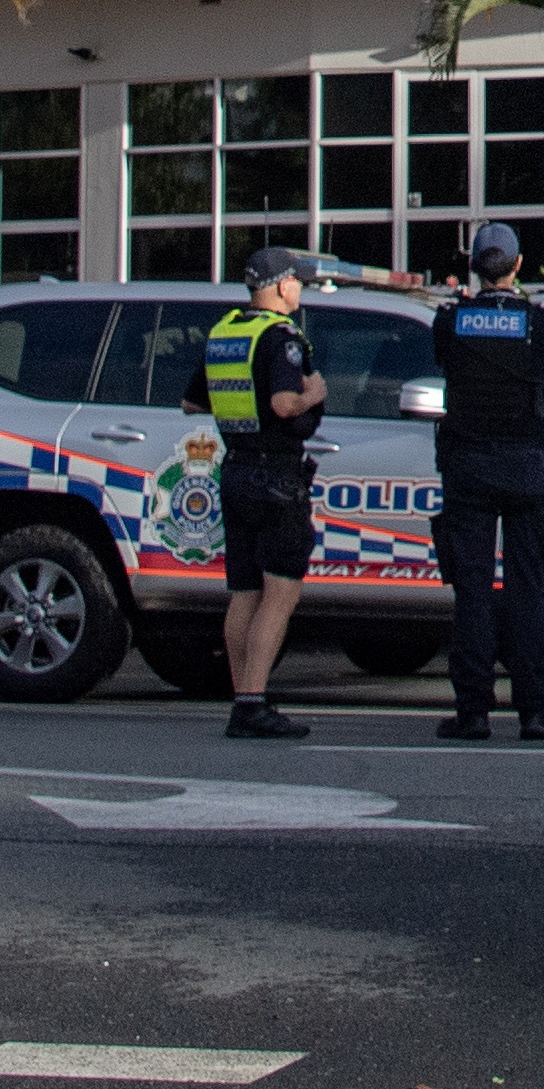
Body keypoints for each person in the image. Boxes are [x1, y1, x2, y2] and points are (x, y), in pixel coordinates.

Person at [425, 224, 544, 743]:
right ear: (518, 264)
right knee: (530, 588)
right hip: (526, 464)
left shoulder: (450, 321)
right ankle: (534, 713)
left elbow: (446, 364)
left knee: (474, 591)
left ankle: (474, 712)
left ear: (475, 267)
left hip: (469, 466)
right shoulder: (539, 323)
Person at [200, 245, 329, 741]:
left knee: (244, 593)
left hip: (234, 470)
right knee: (280, 594)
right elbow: (282, 403)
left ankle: (243, 697)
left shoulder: (225, 332)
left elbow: (194, 400)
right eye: (298, 282)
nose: (301, 290)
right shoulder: (281, 338)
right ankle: (252, 704)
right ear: (279, 286)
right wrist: (313, 393)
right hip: (276, 476)